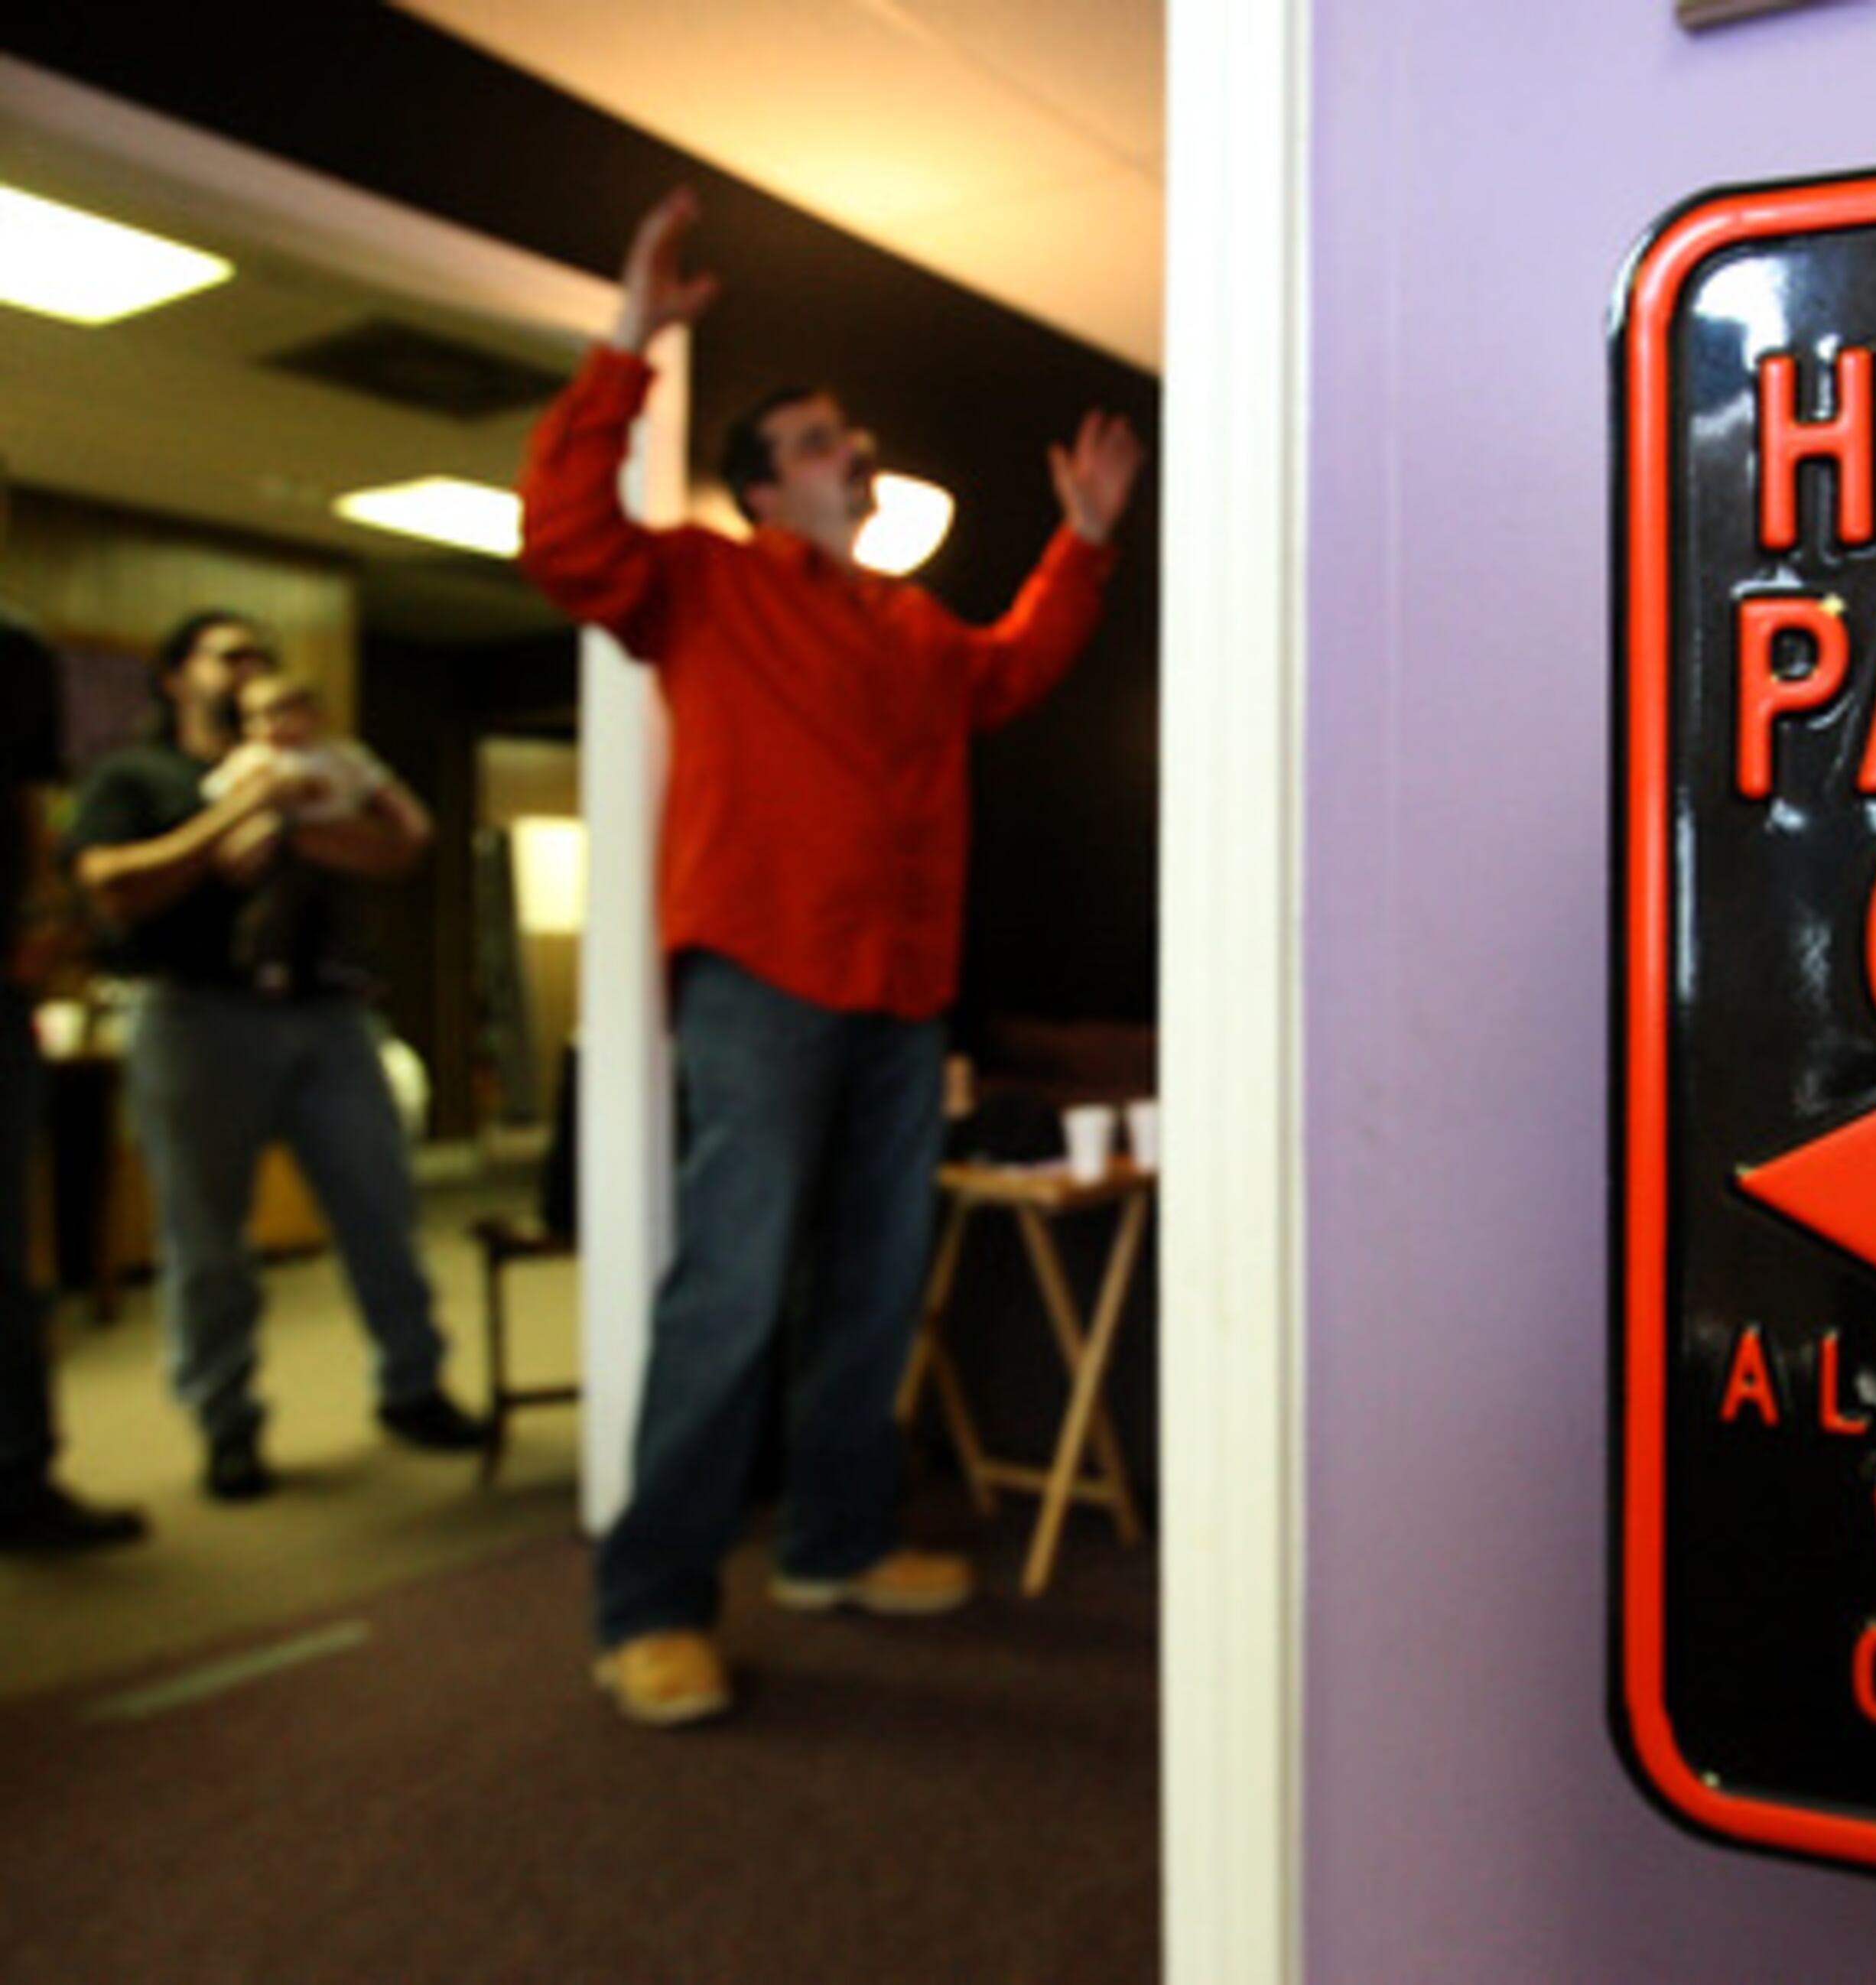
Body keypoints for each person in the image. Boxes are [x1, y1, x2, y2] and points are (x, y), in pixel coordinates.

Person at [517, 187, 1143, 1727]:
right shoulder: (702, 584)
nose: (849, 451)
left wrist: (1079, 543)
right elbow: (562, 535)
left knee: (873, 1288)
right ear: (755, 490)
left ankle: (835, 1540)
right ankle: (648, 1602)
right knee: (729, 1287)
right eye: (816, 441)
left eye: (847, 436)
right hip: (761, 976)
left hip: (899, 990)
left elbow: (1011, 673)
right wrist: (626, 347)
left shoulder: (910, 626)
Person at [63, 612, 486, 1502]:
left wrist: (298, 823)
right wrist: (235, 818)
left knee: (382, 1206)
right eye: (226, 657)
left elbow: (400, 846)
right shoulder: (139, 777)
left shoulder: (318, 770)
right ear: (177, 679)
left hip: (327, 1014)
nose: (245, 671)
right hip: (195, 1016)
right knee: (207, 1238)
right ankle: (228, 1423)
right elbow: (113, 884)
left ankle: (414, 1387)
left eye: (258, 659)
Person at [0, 582, 146, 1554]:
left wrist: (43, 922)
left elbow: (26, 801)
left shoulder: (12, 656)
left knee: (2, 1259)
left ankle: (20, 1476)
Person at [200, 670, 409, 996]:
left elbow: (387, 798)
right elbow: (215, 793)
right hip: (281, 849)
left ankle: (345, 965)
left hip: (340, 848)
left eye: (279, 712)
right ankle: (268, 965)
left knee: (345, 910)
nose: (267, 725)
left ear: (314, 716)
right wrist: (259, 792)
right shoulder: (256, 758)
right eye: (254, 717)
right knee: (278, 907)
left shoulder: (341, 755)